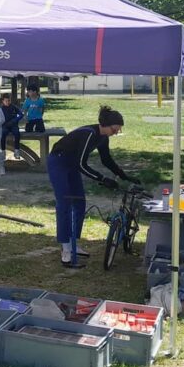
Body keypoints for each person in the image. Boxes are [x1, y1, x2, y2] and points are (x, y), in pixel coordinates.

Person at [46, 105, 141, 266]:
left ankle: (73, 243)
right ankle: (66, 248)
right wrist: (102, 179)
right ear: (106, 125)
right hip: (59, 161)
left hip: (71, 163)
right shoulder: (89, 134)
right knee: (64, 203)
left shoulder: (103, 137)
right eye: (115, 129)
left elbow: (106, 159)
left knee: (80, 202)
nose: (116, 132)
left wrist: (123, 175)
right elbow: (81, 164)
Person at [0, 93, 24, 158]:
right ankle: (3, 151)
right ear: (3, 101)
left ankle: (16, 150)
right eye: (6, 101)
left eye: (9, 101)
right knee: (2, 134)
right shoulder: (1, 108)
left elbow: (21, 114)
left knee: (17, 133)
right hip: (5, 125)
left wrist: (15, 120)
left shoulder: (13, 107)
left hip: (13, 125)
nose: (7, 102)